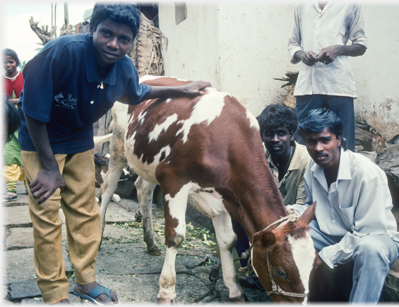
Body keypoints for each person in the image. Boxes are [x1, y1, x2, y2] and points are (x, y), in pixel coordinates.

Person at [17, 3, 210, 305]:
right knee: (46, 216)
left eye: (124, 39)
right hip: (40, 139)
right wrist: (49, 168)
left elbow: (138, 94)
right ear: (92, 29)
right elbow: (32, 111)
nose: (114, 44)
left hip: (78, 139)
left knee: (85, 213)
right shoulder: (61, 53)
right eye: (106, 33)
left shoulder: (123, 68)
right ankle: (54, 294)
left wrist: (183, 89)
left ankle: (85, 281)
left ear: (131, 41)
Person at [288, 108, 399, 303]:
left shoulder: (365, 174)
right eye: (311, 141)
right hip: (334, 235)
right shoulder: (313, 167)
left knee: (371, 249)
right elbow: (313, 206)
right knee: (286, 232)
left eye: (325, 140)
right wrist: (291, 213)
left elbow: (367, 232)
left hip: (376, 237)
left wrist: (325, 256)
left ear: (338, 139)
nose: (318, 148)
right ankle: (298, 298)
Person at [233, 103, 311, 289]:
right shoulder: (259, 156)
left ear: (292, 134)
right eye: (269, 134)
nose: (274, 139)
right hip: (266, 217)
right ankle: (251, 267)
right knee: (237, 216)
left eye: (281, 133)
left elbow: (302, 204)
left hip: (293, 218)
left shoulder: (306, 160)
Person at [287, 2, 368, 151]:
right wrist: (303, 55)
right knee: (301, 142)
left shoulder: (350, 4)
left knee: (343, 143)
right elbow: (293, 45)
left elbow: (361, 45)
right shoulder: (301, 5)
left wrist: (338, 49)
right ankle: (304, 174)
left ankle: (341, 174)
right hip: (308, 84)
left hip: (338, 83)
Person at [3, 48, 25, 200]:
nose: (8, 65)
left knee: (27, 153)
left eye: (11, 61)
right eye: (5, 62)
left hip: (24, 120)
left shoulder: (24, 78)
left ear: (16, 62)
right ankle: (11, 189)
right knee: (9, 154)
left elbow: (29, 96)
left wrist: (11, 101)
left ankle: (30, 186)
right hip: (7, 121)